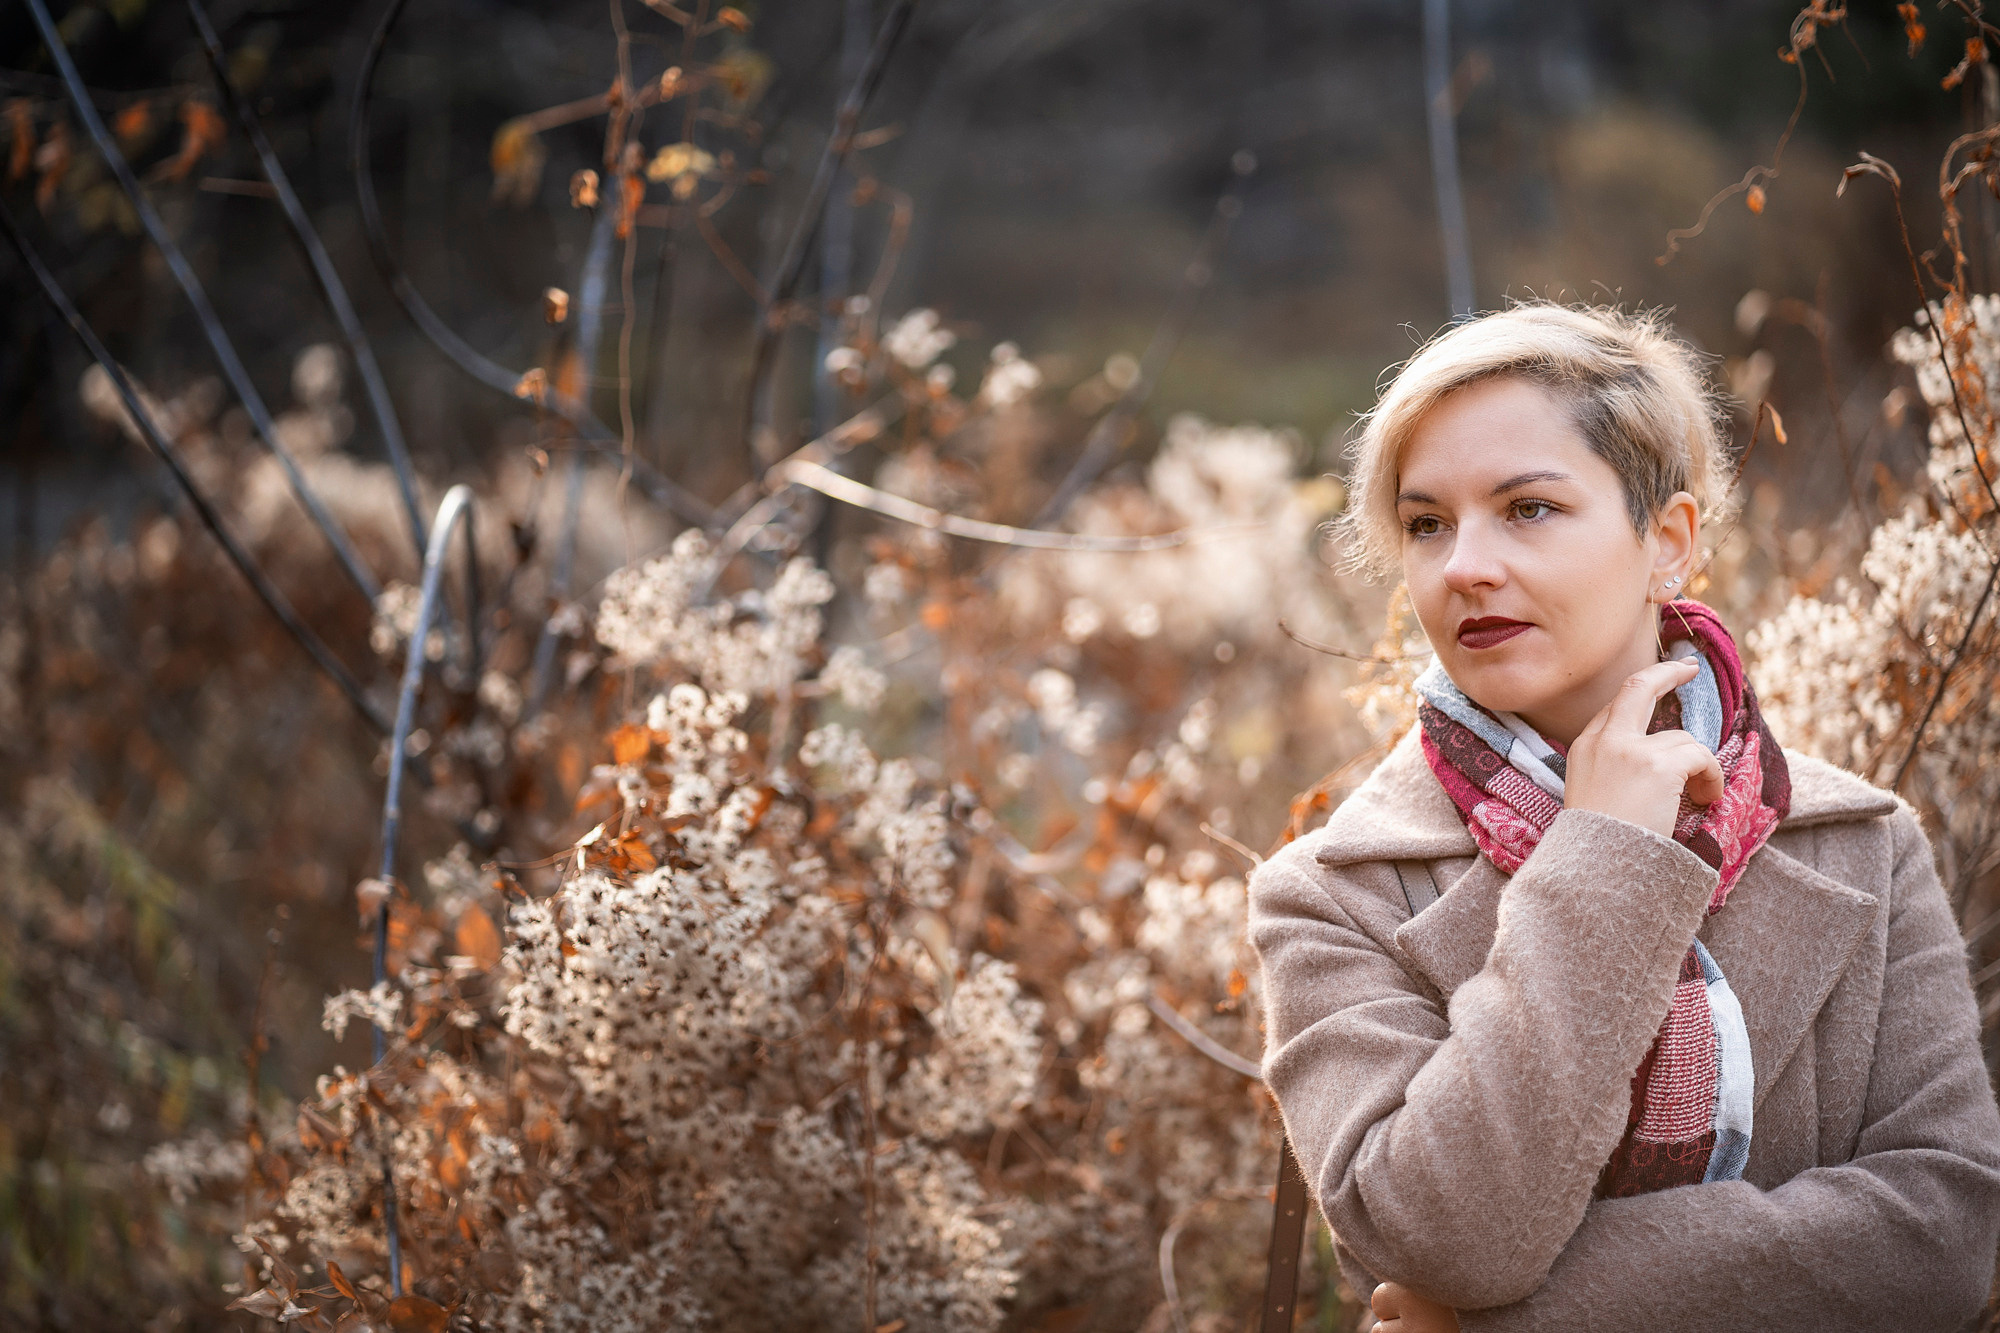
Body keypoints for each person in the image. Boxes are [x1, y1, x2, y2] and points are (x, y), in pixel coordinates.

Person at [1247, 303, 2000, 1332]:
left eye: (1527, 508)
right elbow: (1443, 1237)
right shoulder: (1332, 894)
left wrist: (1508, 1321)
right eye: (1427, 523)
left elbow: (1945, 1235)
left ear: (1667, 542)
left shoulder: (1863, 844)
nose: (1463, 565)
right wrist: (1603, 858)